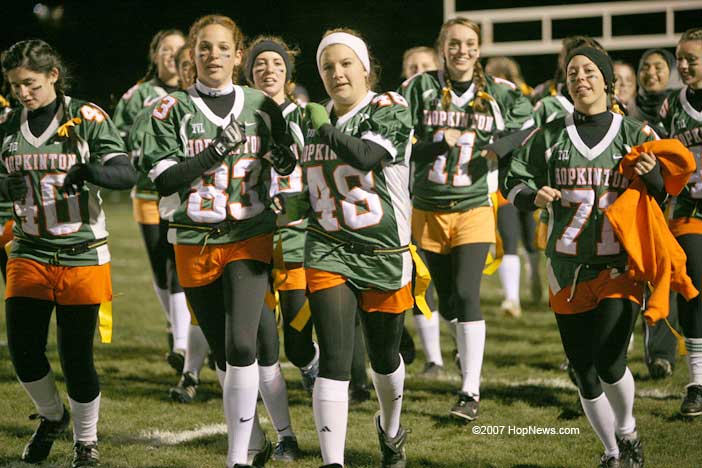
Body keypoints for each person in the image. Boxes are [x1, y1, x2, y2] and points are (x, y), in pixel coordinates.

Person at [141, 14, 296, 468]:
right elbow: (164, 180)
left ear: (237, 55)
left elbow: (287, 162)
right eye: (205, 47)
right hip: (194, 238)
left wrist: (282, 158)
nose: (214, 55)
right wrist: (215, 151)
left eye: (223, 48)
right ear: (193, 53)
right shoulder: (171, 108)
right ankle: (257, 442)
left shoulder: (261, 104)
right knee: (226, 353)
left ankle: (237, 457)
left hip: (247, 234)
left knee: (243, 345)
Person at [503, 46, 659, 468]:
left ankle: (627, 430)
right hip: (566, 267)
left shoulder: (636, 133)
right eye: (572, 73)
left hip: (619, 265)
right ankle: (611, 451)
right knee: (583, 370)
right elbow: (511, 181)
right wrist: (532, 196)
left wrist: (654, 177)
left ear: (607, 81)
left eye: (590, 71)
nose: (580, 79)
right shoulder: (549, 135)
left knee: (609, 360)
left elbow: (666, 192)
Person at [1, 39, 136, 467]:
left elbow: (126, 172)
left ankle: (86, 440)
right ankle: (52, 415)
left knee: (76, 357)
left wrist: (92, 170)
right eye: (15, 85)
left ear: (53, 75)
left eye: (31, 83)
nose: (23, 93)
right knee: (23, 351)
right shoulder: (6, 124)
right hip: (28, 249)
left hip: (81, 252)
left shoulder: (86, 118)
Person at [399, 17, 533, 421]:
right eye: (454, 43)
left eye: (470, 43)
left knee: (466, 292)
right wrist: (438, 142)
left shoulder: (498, 90)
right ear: (442, 47)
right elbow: (400, 145)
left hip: (474, 205)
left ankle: (469, 391)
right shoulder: (417, 88)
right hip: (428, 206)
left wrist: (499, 147)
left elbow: (529, 126)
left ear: (479, 48)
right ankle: (462, 349)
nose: (462, 50)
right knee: (449, 299)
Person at [300, 29, 413, 468]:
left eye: (346, 63)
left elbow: (365, 156)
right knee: (335, 357)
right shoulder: (310, 118)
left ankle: (391, 427)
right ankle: (333, 462)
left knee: (384, 359)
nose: (337, 73)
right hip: (328, 247)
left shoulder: (389, 107)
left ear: (365, 68)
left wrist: (323, 129)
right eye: (327, 66)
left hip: (383, 253)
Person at [244, 34, 310, 461]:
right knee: (262, 346)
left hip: (297, 236)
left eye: (277, 64)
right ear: (249, 72)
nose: (268, 70)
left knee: (299, 345)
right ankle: (286, 435)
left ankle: (314, 369)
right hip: (250, 238)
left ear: (288, 73)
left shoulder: (305, 115)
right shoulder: (238, 115)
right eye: (260, 64)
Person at [112, 29, 191, 372]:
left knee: (178, 264)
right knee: (161, 266)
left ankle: (183, 342)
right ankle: (176, 326)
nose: (172, 55)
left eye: (178, 49)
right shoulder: (138, 95)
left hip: (186, 193)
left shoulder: (195, 91)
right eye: (165, 49)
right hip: (147, 192)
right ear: (155, 54)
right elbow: (116, 138)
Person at [660, 27, 702, 417]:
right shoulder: (672, 105)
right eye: (680, 59)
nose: (684, 66)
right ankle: (697, 382)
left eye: (692, 59)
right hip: (690, 209)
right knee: (693, 287)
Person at [485, 55, 542, 313]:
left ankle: (534, 277)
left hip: (524, 175)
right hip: (501, 179)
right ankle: (512, 298)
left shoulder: (524, 98)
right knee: (509, 235)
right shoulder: (484, 101)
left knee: (529, 237)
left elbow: (530, 132)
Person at [629, 48, 681, 133]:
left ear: (672, 72)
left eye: (658, 68)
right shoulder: (630, 108)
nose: (650, 72)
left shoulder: (681, 105)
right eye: (645, 68)